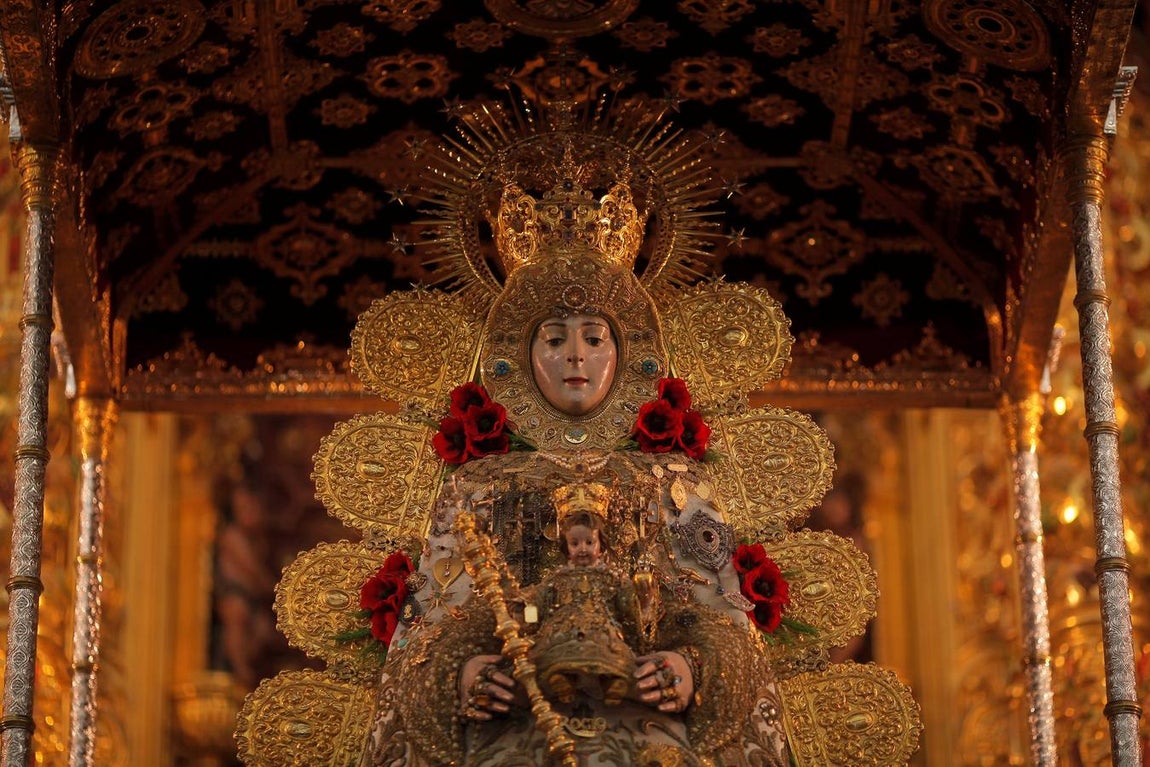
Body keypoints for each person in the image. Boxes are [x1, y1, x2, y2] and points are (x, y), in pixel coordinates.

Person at [359, 212, 791, 765]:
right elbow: (435, 625)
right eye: (554, 337)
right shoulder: (478, 486)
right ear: (517, 351)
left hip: (646, 732)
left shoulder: (674, 482)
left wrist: (689, 667)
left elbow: (718, 617)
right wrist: (464, 673)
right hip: (515, 729)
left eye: (594, 337)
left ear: (627, 350)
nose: (575, 357)